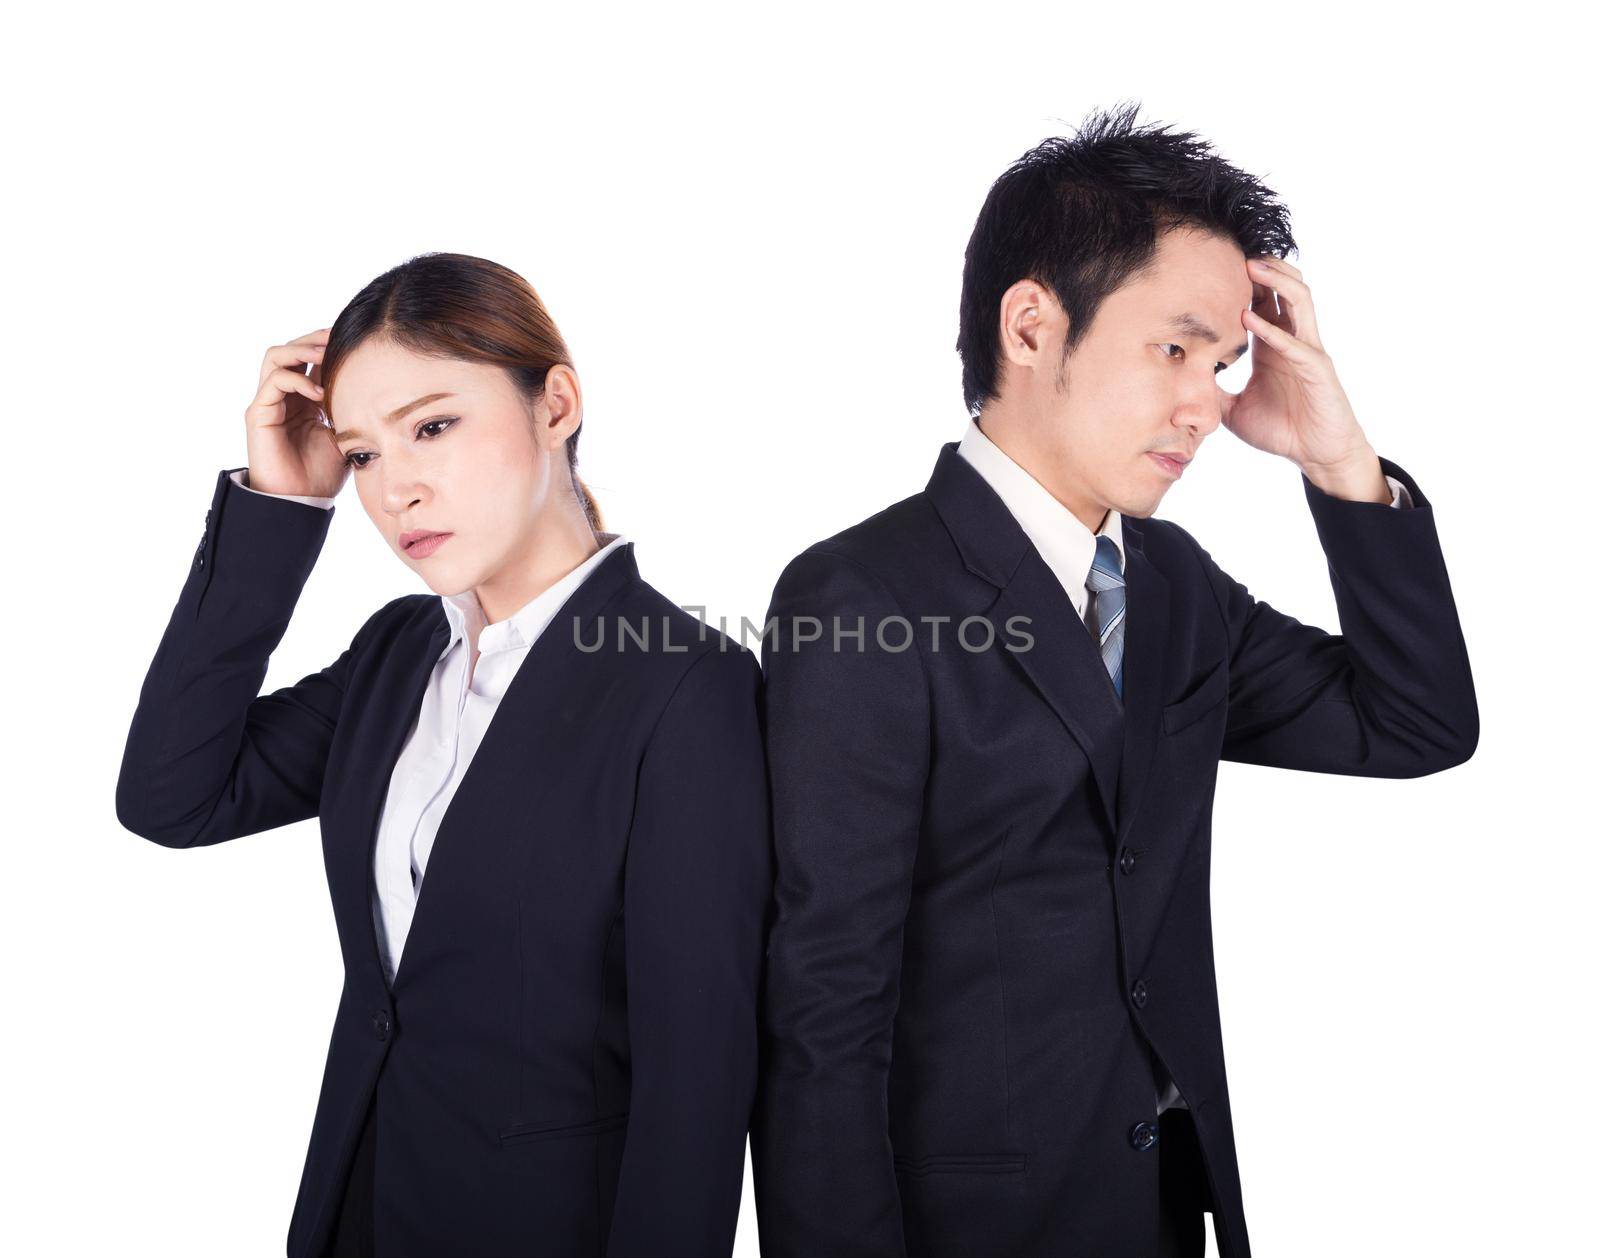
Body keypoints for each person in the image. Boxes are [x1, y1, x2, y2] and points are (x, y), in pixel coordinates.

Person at [750, 103, 1478, 1258]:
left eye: (1227, 362)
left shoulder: (1175, 584)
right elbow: (823, 1011)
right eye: (1175, 347)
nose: (1207, 401)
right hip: (973, 1222)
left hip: (1162, 1206)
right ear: (1033, 325)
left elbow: (1414, 722)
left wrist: (1343, 464)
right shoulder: (861, 596)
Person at [116, 252, 771, 1258]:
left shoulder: (686, 686)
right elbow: (172, 794)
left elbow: (694, 1088)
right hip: (355, 1214)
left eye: (433, 426)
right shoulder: (397, 654)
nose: (396, 490)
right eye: (364, 454)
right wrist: (280, 505)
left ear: (554, 404)